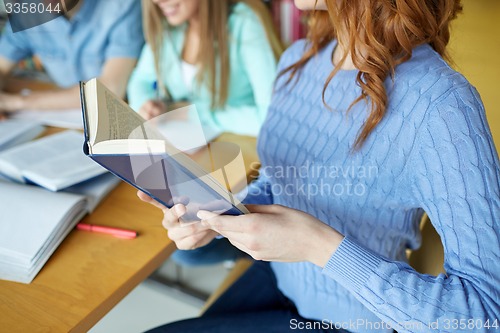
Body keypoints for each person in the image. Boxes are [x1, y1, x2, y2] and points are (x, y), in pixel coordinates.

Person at [139, 0, 500, 332]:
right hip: (281, 281)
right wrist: (218, 213)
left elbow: (486, 315)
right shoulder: (299, 59)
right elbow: (280, 179)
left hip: (350, 320)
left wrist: (317, 245)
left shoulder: (442, 105)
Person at [129, 0, 283, 266]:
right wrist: (146, 104)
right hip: (188, 154)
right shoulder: (171, 27)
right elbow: (139, 81)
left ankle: (260, 258)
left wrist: (199, 112)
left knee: (187, 251)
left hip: (241, 156)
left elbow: (271, 115)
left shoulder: (243, 23)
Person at [0, 0, 144, 117]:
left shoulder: (122, 5)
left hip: (120, 115)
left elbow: (110, 89)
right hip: (62, 118)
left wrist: (17, 102)